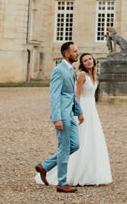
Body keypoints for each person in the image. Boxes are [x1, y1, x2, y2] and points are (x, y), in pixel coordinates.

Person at [34, 51, 113, 187]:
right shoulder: (82, 75)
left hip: (92, 110)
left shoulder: (93, 75)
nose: (89, 61)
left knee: (92, 140)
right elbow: (77, 95)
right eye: (85, 60)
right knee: (79, 142)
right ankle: (67, 173)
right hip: (84, 108)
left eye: (90, 59)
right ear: (82, 64)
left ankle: (90, 172)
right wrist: (78, 112)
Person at [35, 41, 84, 193]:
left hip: (69, 113)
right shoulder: (59, 70)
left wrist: (79, 111)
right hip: (62, 114)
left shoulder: (70, 70)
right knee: (64, 148)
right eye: (75, 51)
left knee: (74, 145)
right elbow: (54, 95)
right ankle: (62, 182)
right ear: (66, 54)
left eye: (77, 51)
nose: (77, 54)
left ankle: (45, 166)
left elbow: (71, 94)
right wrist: (56, 118)